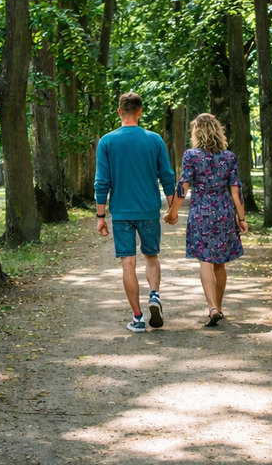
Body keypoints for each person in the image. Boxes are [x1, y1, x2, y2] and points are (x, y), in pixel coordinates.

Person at [95, 91, 177, 333]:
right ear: (140, 112)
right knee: (151, 257)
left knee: (128, 263)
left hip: (121, 213)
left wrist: (101, 217)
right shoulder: (155, 140)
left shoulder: (107, 141)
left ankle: (138, 318)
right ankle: (154, 296)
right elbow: (167, 177)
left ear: (120, 111)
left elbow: (102, 182)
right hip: (149, 210)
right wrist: (172, 210)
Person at [164, 113, 248, 327]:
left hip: (201, 211)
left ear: (197, 132)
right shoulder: (229, 157)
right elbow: (236, 191)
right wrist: (242, 218)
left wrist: (172, 212)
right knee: (219, 263)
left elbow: (183, 187)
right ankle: (218, 308)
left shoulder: (191, 155)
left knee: (205, 260)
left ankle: (212, 308)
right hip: (223, 211)